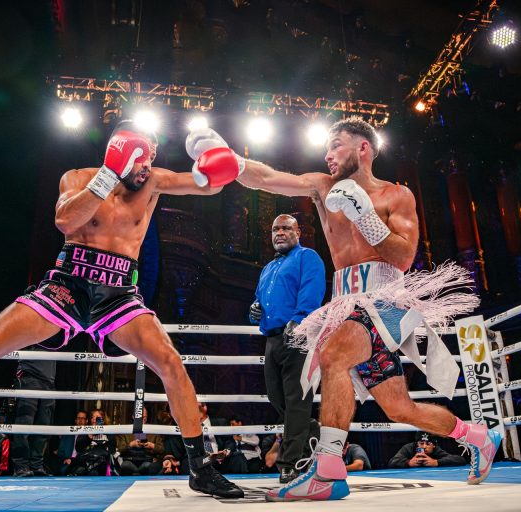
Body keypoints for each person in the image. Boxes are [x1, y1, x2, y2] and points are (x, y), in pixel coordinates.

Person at [0, 120, 245, 500]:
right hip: (67, 284)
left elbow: (209, 184)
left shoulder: (154, 182)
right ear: (122, 149)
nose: (148, 165)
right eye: (143, 155)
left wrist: (214, 153)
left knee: (170, 361)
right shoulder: (77, 177)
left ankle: (199, 467)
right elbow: (65, 221)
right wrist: (110, 172)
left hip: (118, 293)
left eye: (152, 157)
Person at [185, 117, 501, 502]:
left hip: (385, 300)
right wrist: (230, 159)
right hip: (346, 304)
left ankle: (329, 471)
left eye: (336, 145)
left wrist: (364, 215)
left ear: (362, 149)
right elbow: (267, 178)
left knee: (332, 355)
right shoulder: (322, 187)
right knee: (399, 408)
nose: (327, 154)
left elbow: (403, 256)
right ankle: (480, 437)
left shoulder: (395, 195)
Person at [249, 214, 325, 484]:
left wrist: (301, 318)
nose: (279, 233)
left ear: (297, 232)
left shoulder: (307, 257)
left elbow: (312, 290)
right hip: (272, 339)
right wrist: (255, 310)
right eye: (275, 229)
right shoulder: (268, 268)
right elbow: (260, 300)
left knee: (296, 400)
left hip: (298, 335)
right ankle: (313, 432)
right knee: (276, 398)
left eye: (285, 228)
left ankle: (290, 463)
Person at [11, 346, 56, 477]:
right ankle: (21, 466)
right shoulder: (31, 327)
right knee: (24, 424)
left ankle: (37, 465)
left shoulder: (58, 330)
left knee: (44, 426)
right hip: (29, 377)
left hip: (49, 381)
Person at [114, 407, 164, 476]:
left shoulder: (153, 430)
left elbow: (162, 449)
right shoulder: (126, 431)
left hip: (147, 460)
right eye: (140, 417)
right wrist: (130, 445)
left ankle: (138, 473)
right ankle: (138, 473)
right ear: (133, 417)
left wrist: (152, 446)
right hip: (130, 460)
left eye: (145, 417)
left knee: (148, 466)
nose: (142, 419)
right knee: (125, 465)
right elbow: (120, 449)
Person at [68, 409, 115, 476]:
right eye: (92, 417)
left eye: (97, 417)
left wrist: (101, 449)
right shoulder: (86, 430)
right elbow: (78, 448)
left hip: (102, 463)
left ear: (103, 419)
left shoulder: (109, 432)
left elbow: (112, 449)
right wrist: (89, 436)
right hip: (87, 462)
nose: (93, 419)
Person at [388, 431, 467, 469]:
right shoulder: (409, 448)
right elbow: (392, 462)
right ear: (416, 444)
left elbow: (460, 460)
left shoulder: (436, 450)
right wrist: (408, 462)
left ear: (433, 445)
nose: (424, 446)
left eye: (428, 444)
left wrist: (436, 462)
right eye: (421, 443)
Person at [54, 410, 88, 475]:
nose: (80, 420)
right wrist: (65, 459)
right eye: (78, 418)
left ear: (86, 421)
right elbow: (60, 452)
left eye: (83, 418)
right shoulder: (68, 434)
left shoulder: (88, 435)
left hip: (82, 463)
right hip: (68, 463)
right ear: (75, 420)